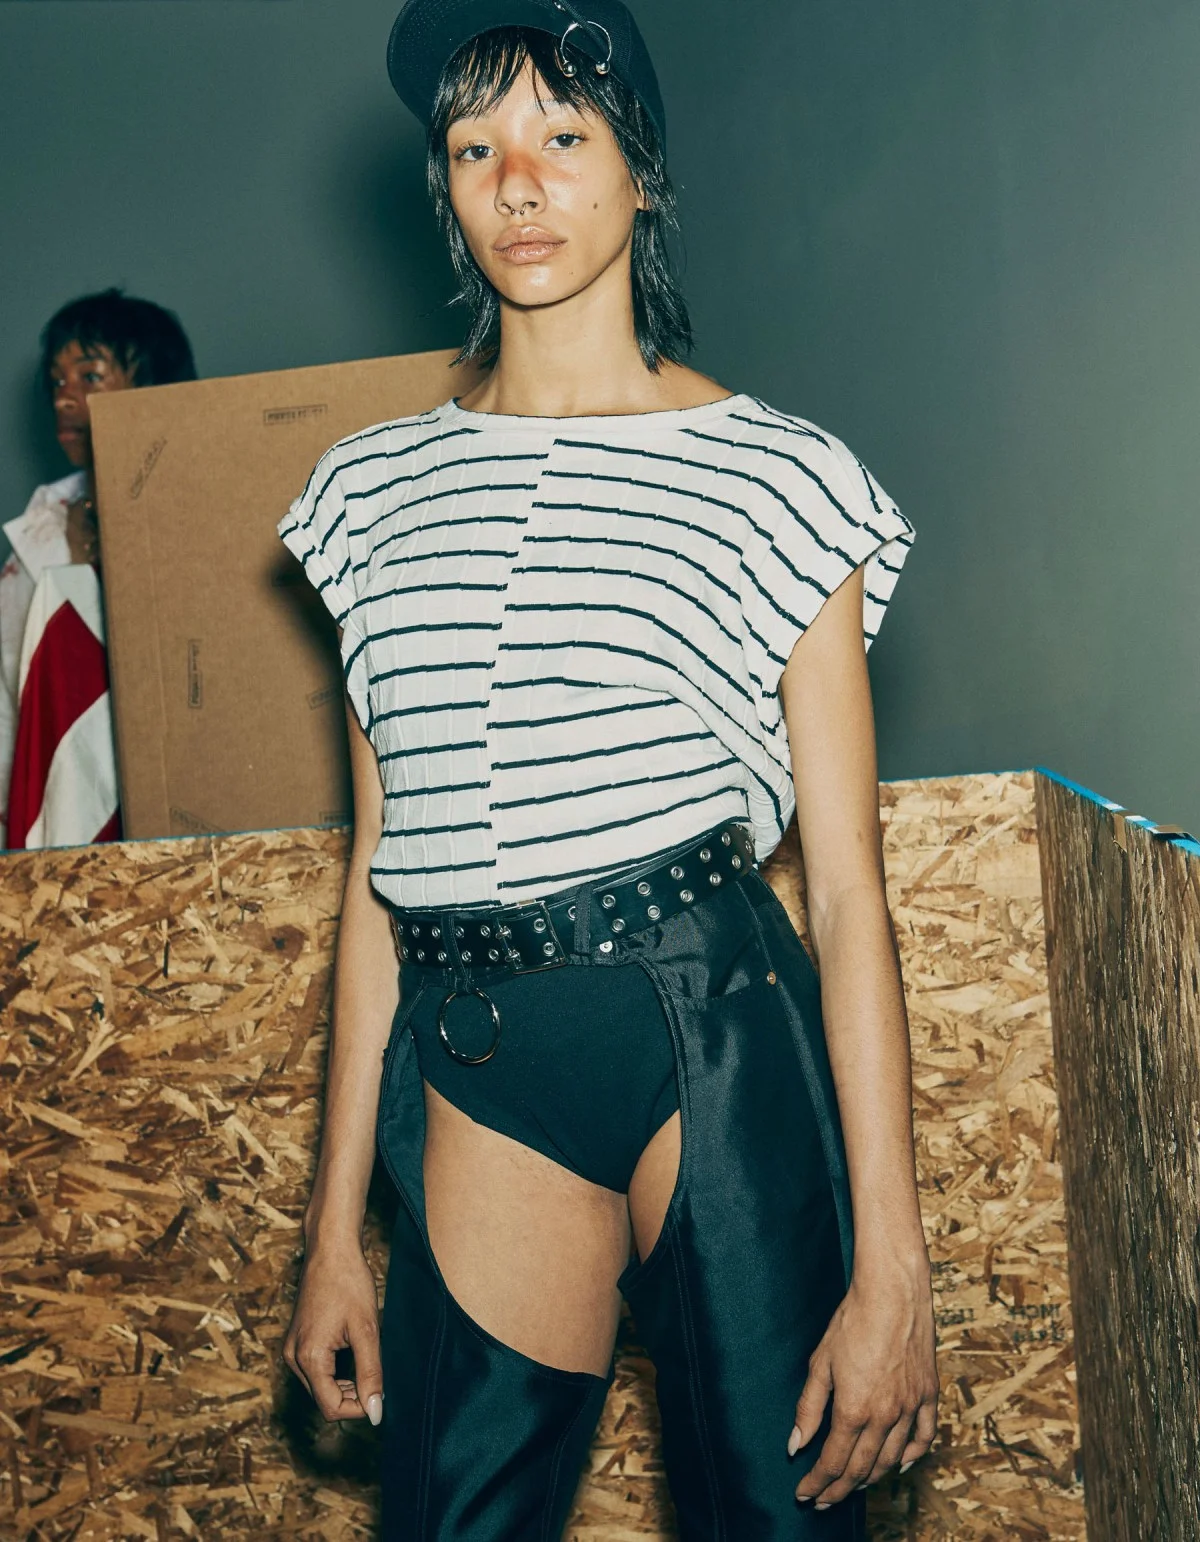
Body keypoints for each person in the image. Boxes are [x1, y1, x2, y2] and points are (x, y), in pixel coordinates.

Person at [279, 2, 938, 1536]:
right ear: (444, 185)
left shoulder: (784, 477)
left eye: (564, 137)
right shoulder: (362, 495)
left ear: (640, 168)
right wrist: (329, 1229)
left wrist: (895, 1269)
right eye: (476, 148)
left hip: (704, 1020)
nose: (519, 182)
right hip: (477, 1044)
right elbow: (375, 883)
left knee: (780, 1511)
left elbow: (849, 895)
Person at [0, 288, 196, 846]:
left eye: (90, 377)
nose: (64, 399)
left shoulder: (202, 512)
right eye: (57, 382)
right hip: (63, 823)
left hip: (183, 819)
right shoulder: (37, 529)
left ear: (153, 389)